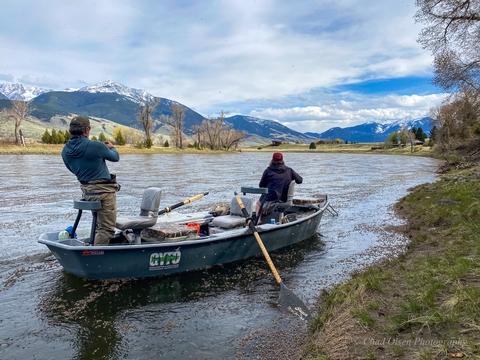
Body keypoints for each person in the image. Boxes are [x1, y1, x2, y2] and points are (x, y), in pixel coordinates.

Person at [61, 116, 120, 245]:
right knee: (106, 229)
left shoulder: (65, 151)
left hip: (87, 193)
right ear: (87, 130)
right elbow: (115, 158)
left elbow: (73, 170)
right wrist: (112, 147)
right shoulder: (97, 146)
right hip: (104, 193)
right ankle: (96, 257)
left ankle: (93, 245)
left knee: (98, 223)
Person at [257, 152, 303, 222]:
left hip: (271, 201)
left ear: (272, 160)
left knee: (258, 203)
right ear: (282, 160)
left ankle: (258, 221)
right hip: (285, 200)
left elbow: (261, 185)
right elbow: (300, 180)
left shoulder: (268, 171)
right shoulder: (289, 170)